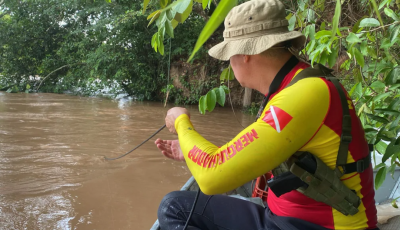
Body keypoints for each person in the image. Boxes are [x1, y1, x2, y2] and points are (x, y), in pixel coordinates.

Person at [154, 0, 378, 229]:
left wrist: (181, 122)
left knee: (173, 207)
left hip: (313, 225)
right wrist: (189, 151)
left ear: (245, 54)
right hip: (288, 217)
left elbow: (211, 176)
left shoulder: (303, 95)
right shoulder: (297, 84)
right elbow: (243, 153)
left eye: (229, 55)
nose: (230, 64)